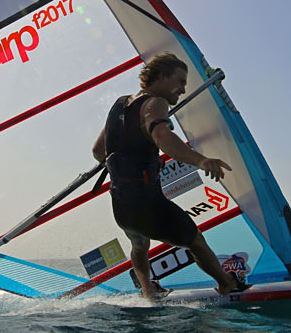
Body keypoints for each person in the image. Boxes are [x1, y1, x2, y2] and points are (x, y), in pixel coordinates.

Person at [92, 52, 249, 300]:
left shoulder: (119, 104)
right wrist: (201, 159)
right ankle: (226, 284)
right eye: (180, 81)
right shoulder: (155, 103)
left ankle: (147, 291)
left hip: (122, 206)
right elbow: (163, 137)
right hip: (147, 203)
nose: (183, 89)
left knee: (139, 245)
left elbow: (98, 151)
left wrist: (130, 164)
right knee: (195, 240)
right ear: (162, 76)